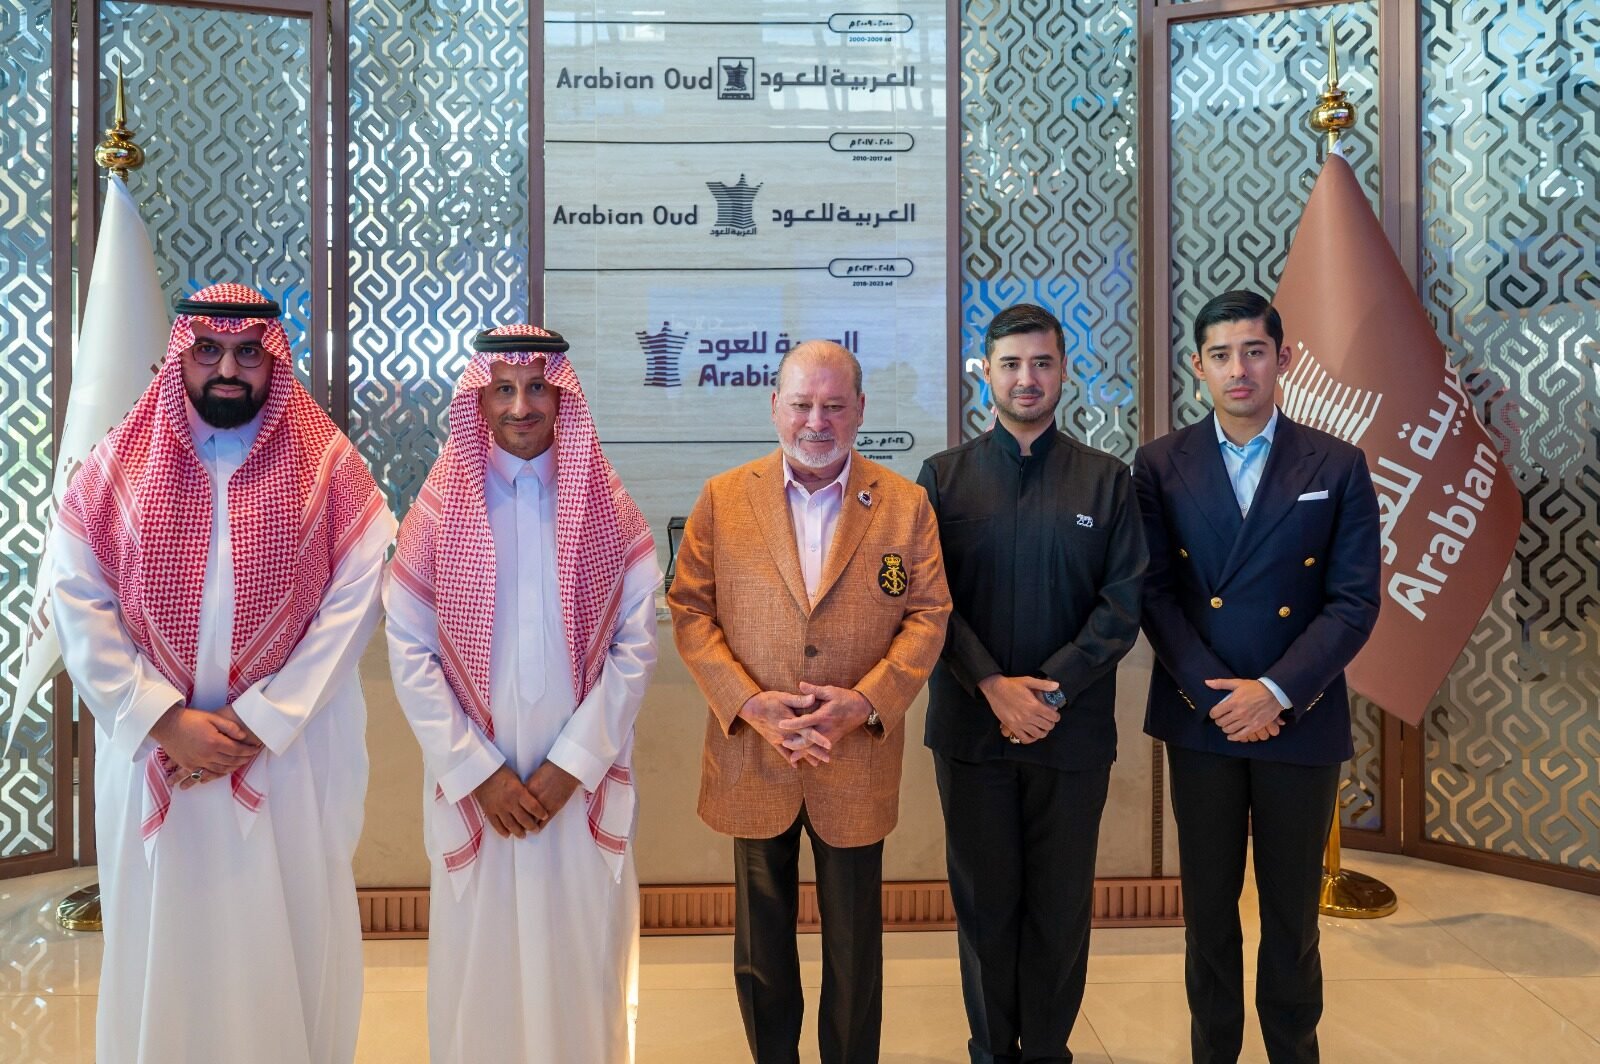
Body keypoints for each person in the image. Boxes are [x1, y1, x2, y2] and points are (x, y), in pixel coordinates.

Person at [49, 283, 394, 1064]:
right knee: (159, 954)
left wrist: (261, 722)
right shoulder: (117, 466)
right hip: (154, 755)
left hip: (284, 757)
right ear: (182, 356)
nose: (228, 369)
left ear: (274, 361)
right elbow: (76, 596)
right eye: (208, 350)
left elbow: (356, 600)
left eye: (247, 352)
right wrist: (163, 718)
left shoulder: (329, 468)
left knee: (288, 940)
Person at [667, 339, 951, 1064]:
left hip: (854, 754)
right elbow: (689, 609)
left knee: (855, 947)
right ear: (775, 407)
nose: (816, 422)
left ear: (860, 409)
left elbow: (928, 614)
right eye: (801, 404)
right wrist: (747, 703)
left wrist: (867, 702)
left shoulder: (905, 504)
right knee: (761, 944)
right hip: (753, 751)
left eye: (833, 406)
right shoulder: (723, 498)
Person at [385, 325, 659, 1063]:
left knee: (586, 965)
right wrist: (479, 774)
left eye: (537, 387)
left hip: (578, 788)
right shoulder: (440, 511)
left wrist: (574, 766)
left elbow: (636, 647)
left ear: (562, 397)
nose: (521, 406)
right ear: (478, 400)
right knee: (480, 975)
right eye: (503, 389)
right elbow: (409, 650)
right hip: (479, 790)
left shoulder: (607, 507)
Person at [1133, 290, 1380, 1063]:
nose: (1238, 368)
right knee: (1208, 915)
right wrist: (1219, 697)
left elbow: (1354, 600)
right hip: (1201, 717)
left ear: (1284, 359)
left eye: (1254, 351)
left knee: (1292, 917)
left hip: (1299, 717)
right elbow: (1153, 593)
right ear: (1197, 366)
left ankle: (1292, 1052)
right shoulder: (1160, 464)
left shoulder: (1337, 463)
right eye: (1221, 354)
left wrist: (1274, 692)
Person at [917, 303, 1146, 1064]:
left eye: (1041, 363)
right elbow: (928, 602)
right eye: (1011, 364)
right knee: (984, 907)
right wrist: (992, 686)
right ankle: (991, 1051)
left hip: (1070, 732)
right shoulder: (942, 479)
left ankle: (1049, 1051)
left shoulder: (1107, 480)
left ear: (1063, 372)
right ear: (986, 373)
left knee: (1059, 906)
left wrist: (1048, 691)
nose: (1027, 378)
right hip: (971, 731)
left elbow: (1123, 605)